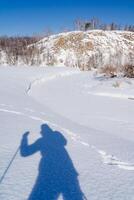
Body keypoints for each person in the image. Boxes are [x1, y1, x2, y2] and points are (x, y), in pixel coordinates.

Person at [20, 124, 84, 200]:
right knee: (74, 197)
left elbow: (25, 152)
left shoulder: (42, 141)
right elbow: (64, 141)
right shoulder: (57, 137)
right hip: (68, 172)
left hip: (49, 173)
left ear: (42, 132)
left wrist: (24, 138)